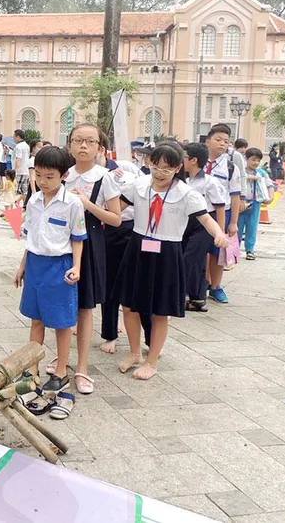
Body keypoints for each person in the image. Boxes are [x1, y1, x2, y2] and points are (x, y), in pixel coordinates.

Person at [114, 143, 230, 380]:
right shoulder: (138, 185)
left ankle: (152, 360)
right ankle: (135, 352)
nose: (159, 173)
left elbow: (206, 219)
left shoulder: (187, 194)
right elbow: (115, 207)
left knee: (160, 310)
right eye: (156, 166)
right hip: (138, 246)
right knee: (128, 304)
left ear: (178, 167)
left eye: (167, 169)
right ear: (149, 163)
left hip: (167, 251)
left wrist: (219, 233)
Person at [14, 146, 85, 415]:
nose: (43, 182)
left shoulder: (73, 203)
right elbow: (31, 237)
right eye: (39, 176)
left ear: (63, 175)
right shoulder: (33, 200)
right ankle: (31, 370)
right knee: (36, 319)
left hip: (60, 267)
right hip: (35, 265)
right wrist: (22, 267)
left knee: (62, 323)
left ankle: (60, 371)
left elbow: (78, 239)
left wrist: (77, 267)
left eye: (49, 177)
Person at [59, 124, 122, 395]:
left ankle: (82, 367)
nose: (83, 146)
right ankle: (61, 360)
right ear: (70, 144)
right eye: (78, 141)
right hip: (60, 242)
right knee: (61, 304)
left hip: (91, 242)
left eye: (90, 142)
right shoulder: (63, 174)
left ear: (99, 147)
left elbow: (116, 218)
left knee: (85, 307)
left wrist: (87, 204)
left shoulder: (104, 177)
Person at [100, 143, 153, 351]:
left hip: (133, 228)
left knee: (139, 285)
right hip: (107, 231)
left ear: (101, 148)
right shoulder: (85, 175)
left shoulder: (126, 168)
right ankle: (110, 335)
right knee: (110, 284)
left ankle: (150, 339)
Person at [183, 143, 227, 312]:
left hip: (205, 224)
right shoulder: (183, 180)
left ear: (194, 160)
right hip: (187, 223)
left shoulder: (210, 182)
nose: (181, 160)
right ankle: (198, 298)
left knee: (189, 258)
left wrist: (220, 232)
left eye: (184, 157)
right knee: (198, 262)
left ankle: (182, 294)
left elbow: (220, 207)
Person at [203, 124, 242, 304]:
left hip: (221, 213)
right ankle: (200, 283)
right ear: (208, 141)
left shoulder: (230, 167)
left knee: (218, 251)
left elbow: (235, 196)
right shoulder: (197, 162)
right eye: (218, 140)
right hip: (198, 213)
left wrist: (233, 222)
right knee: (198, 251)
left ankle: (216, 287)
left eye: (226, 141)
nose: (222, 144)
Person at [239, 147, 275, 260]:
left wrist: (271, 196)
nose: (256, 162)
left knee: (252, 227)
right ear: (246, 159)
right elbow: (239, 179)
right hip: (241, 202)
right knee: (237, 227)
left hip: (255, 203)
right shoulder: (240, 171)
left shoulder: (262, 173)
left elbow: (270, 184)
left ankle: (250, 250)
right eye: (253, 159)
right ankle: (234, 250)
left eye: (258, 160)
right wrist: (252, 177)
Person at [13, 129, 31, 199]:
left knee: (16, 191)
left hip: (20, 171)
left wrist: (15, 170)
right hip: (26, 170)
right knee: (24, 191)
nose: (13, 138)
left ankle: (16, 205)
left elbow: (19, 159)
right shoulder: (26, 145)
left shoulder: (18, 146)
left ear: (18, 137)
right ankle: (24, 206)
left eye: (14, 136)